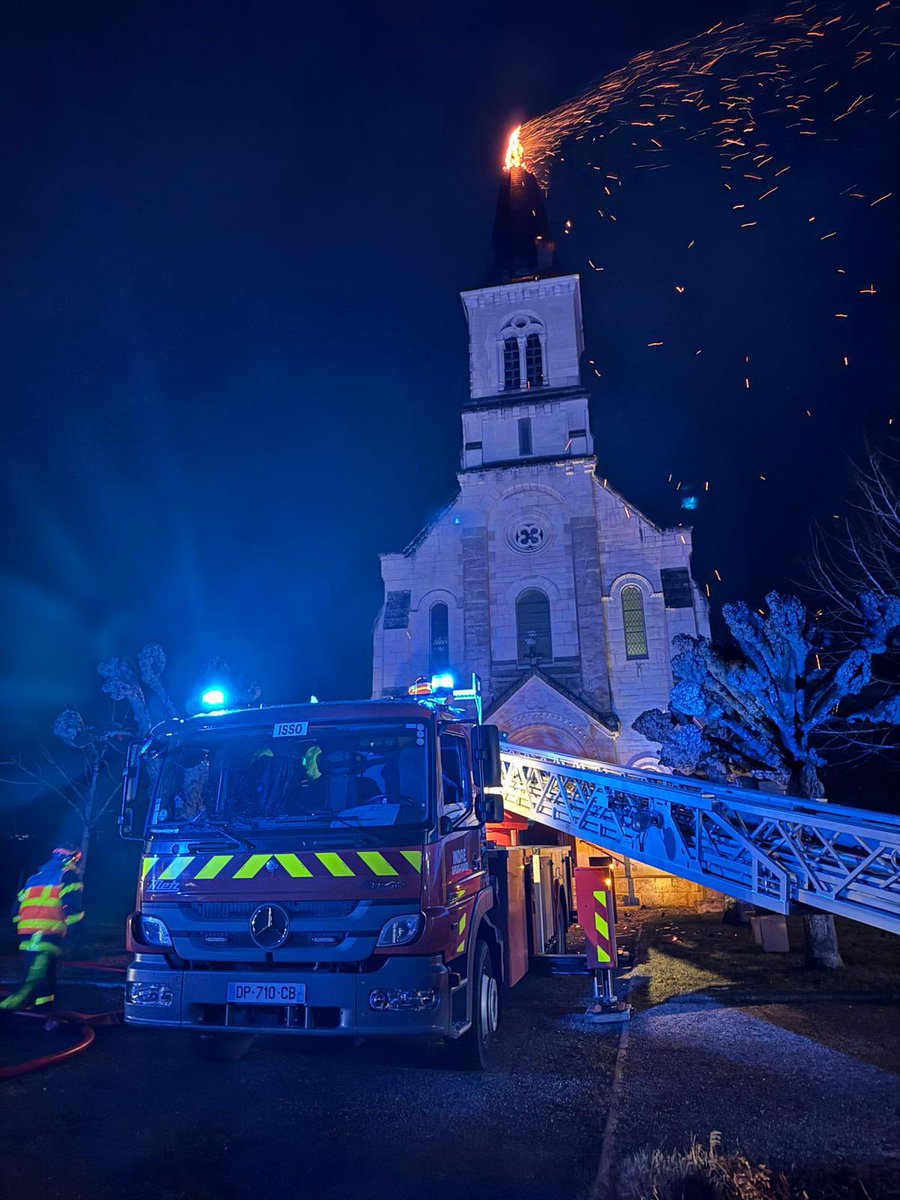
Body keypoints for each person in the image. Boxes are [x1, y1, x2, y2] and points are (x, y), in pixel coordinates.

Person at [0, 847, 84, 1013]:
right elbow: (73, 907)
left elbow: (16, 907)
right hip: (46, 931)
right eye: (76, 860)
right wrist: (74, 933)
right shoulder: (67, 875)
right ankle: (10, 1005)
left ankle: (44, 1005)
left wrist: (19, 926)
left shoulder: (34, 878)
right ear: (69, 859)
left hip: (29, 931)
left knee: (47, 967)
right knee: (35, 970)